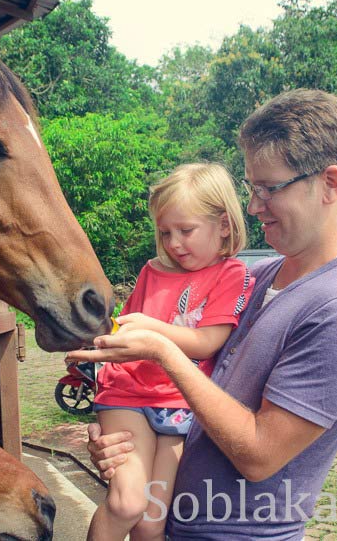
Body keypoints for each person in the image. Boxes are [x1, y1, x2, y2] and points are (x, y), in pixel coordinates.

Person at [68, 89, 337, 540]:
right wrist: (122, 445)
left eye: (267, 189)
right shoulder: (260, 277)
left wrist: (162, 351)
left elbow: (259, 455)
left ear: (330, 184)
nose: (253, 206)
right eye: (251, 189)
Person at [87, 163, 254, 541]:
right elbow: (124, 328)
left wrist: (151, 329)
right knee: (126, 504)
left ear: (224, 225)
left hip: (180, 405)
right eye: (165, 233)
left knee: (151, 522)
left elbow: (209, 340)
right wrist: (95, 344)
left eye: (186, 231)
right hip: (127, 396)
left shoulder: (233, 274)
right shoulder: (152, 270)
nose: (175, 243)